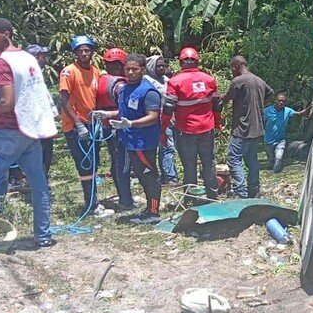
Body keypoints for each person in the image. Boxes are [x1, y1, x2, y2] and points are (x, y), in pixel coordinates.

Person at [0, 18, 57, 265]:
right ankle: (43, 235)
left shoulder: (4, 62)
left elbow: (7, 102)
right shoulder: (29, 58)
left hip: (6, 132)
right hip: (31, 132)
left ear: (6, 34)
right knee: (39, 185)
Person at [92, 54, 162, 224]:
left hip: (143, 142)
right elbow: (123, 112)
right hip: (128, 141)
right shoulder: (124, 89)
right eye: (127, 69)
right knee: (140, 175)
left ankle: (153, 212)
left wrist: (131, 123)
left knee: (149, 176)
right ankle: (148, 209)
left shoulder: (148, 91)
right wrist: (108, 114)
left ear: (142, 70)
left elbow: (153, 117)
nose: (130, 72)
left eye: (134, 69)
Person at [59, 34, 110, 217]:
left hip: (92, 124)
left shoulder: (95, 71)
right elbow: (63, 99)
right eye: (80, 51)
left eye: (87, 50)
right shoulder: (69, 71)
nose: (84, 53)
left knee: (94, 163)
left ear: (92, 52)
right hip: (76, 126)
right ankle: (90, 205)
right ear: (75, 53)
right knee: (85, 165)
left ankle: (93, 201)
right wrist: (78, 123)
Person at [164, 47, 221, 200]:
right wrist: (218, 123)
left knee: (189, 165)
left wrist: (162, 129)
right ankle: (212, 195)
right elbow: (217, 104)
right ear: (197, 61)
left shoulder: (175, 81)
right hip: (207, 129)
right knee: (208, 162)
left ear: (181, 61)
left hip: (186, 130)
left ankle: (190, 197)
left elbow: (168, 108)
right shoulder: (209, 79)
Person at [223, 56, 273, 198]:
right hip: (257, 129)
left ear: (237, 65)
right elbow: (270, 93)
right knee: (252, 160)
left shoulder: (238, 81)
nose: (231, 71)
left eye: (232, 68)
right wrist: (258, 103)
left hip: (242, 129)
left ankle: (241, 192)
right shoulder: (259, 81)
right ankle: (254, 190)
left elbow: (226, 99)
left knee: (234, 159)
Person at [97, 48, 132, 210]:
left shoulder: (101, 79)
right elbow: (126, 109)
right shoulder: (120, 84)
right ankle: (125, 200)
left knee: (116, 162)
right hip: (119, 127)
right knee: (122, 164)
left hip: (107, 127)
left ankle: (123, 197)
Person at [25, 44, 59, 178]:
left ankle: (42, 179)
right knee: (40, 154)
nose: (45, 59)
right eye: (42, 56)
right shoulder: (28, 75)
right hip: (35, 123)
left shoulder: (38, 73)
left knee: (47, 153)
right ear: (35, 57)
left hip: (44, 121)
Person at [144, 55, 178, 185]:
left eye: (163, 65)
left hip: (171, 118)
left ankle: (168, 174)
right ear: (151, 67)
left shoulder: (165, 79)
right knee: (167, 147)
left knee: (169, 147)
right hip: (158, 119)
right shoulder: (147, 81)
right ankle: (170, 178)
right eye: (158, 66)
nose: (161, 68)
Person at [263, 93, 310, 174]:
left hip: (281, 140)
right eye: (279, 101)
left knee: (278, 157)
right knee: (271, 160)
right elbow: (260, 122)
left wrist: (309, 108)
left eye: (283, 101)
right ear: (275, 101)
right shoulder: (267, 111)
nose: (281, 103)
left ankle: (276, 173)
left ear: (285, 103)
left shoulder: (287, 111)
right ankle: (271, 166)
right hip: (268, 140)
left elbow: (300, 114)